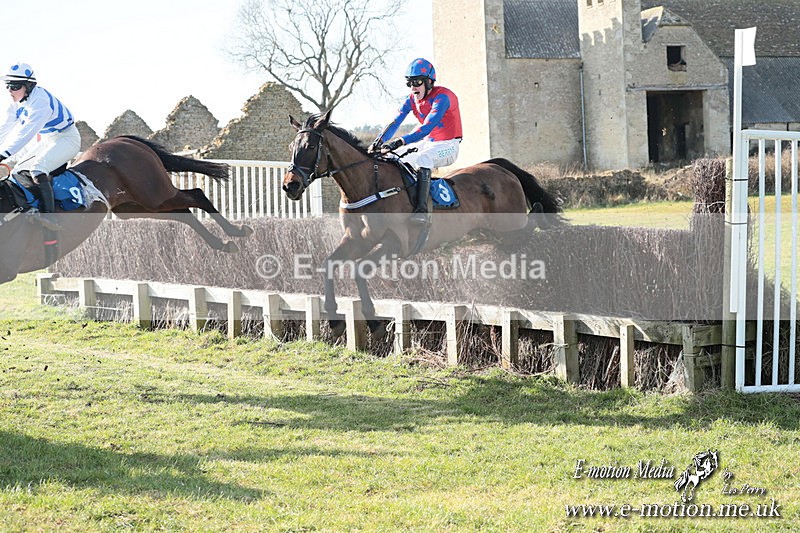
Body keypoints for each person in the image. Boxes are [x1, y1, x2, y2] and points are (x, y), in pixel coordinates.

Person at [370, 58, 462, 225]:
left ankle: (421, 211)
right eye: (409, 83)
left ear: (429, 81)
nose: (413, 87)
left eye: (417, 82)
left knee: (423, 160)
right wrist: (377, 142)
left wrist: (400, 141)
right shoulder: (411, 99)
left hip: (449, 145)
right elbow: (395, 122)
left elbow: (426, 128)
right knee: (392, 158)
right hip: (428, 143)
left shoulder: (443, 97)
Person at [0, 62, 81, 231]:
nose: (10, 91)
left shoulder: (40, 102)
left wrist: (3, 155)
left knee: (38, 169)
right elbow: (5, 128)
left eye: (14, 86)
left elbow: (25, 134)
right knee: (17, 171)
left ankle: (50, 217)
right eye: (8, 85)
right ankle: (33, 207)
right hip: (49, 139)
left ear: (28, 86)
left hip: (67, 138)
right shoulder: (17, 101)